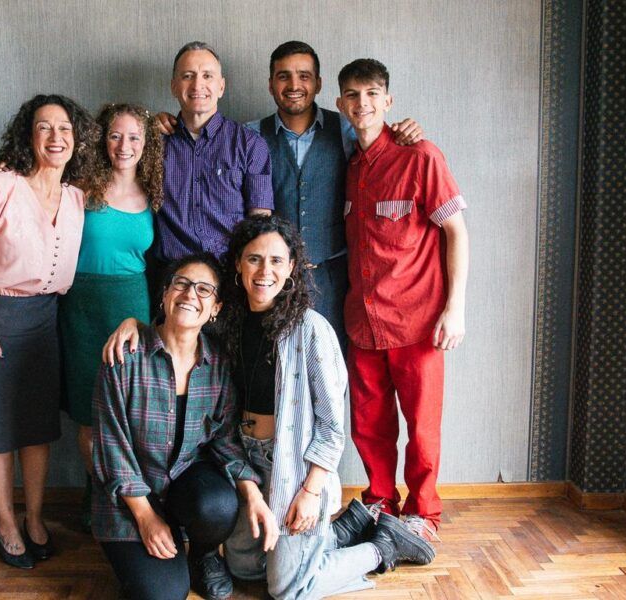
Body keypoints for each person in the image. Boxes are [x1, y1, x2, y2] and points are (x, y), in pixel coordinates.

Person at [217, 215, 434, 599]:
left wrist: (311, 491)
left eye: (276, 260)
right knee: (245, 569)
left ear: (291, 268)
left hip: (294, 466)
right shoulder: (228, 324)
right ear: (238, 264)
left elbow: (332, 427)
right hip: (246, 459)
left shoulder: (311, 329)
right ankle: (345, 529)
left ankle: (383, 546)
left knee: (288, 589)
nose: (264, 271)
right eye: (254, 259)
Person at [158, 41, 423, 350]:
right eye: (283, 76)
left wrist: (403, 132)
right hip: (269, 281)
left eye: (304, 76)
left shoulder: (345, 130)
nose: (294, 85)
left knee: (329, 360)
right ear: (271, 85)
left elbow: (378, 141)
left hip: (331, 278)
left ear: (318, 83)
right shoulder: (252, 135)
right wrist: (155, 123)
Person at [0, 93, 97, 569]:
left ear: (77, 140)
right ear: (27, 137)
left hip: (42, 320)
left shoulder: (76, 197)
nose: (56, 137)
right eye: (44, 127)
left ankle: (34, 518)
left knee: (36, 429)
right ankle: (6, 524)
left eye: (65, 128)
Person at [91, 254, 278, 600]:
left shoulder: (217, 362)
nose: (191, 294)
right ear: (165, 294)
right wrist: (145, 517)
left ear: (216, 308)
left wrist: (253, 494)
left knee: (219, 507)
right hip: (130, 498)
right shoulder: (124, 357)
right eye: (181, 283)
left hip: (185, 484)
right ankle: (152, 552)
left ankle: (202, 555)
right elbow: (111, 449)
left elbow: (225, 440)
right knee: (163, 595)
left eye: (204, 289)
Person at [336, 59, 469, 543]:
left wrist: (455, 308)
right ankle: (379, 501)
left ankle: (423, 514)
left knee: (422, 427)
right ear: (340, 104)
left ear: (388, 101)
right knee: (368, 425)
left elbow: (456, 232)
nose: (363, 103)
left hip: (417, 322)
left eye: (372, 94)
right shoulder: (350, 165)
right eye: (353, 95)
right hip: (363, 323)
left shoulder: (421, 156)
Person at [58, 103, 163, 528]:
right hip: (81, 305)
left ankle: (128, 494)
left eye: (134, 137)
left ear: (146, 144)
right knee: (88, 411)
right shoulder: (80, 188)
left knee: (129, 406)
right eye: (115, 135)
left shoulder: (155, 193)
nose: (124, 145)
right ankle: (98, 492)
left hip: (131, 303)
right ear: (103, 140)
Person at [153, 41, 274, 279]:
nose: (198, 85)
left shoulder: (250, 144)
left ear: (221, 86)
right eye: (188, 76)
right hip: (171, 277)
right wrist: (146, 122)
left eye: (207, 76)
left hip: (229, 276)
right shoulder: (153, 143)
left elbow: (260, 223)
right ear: (174, 86)